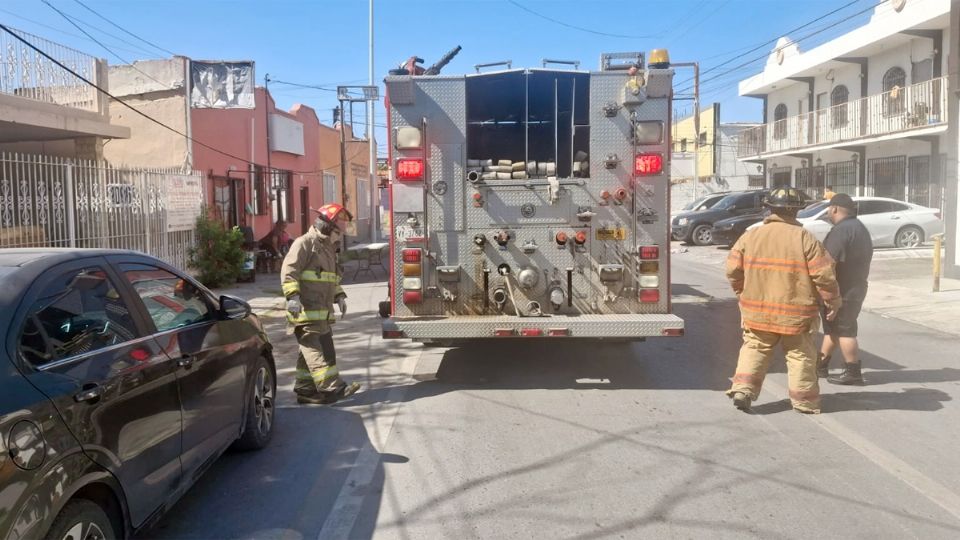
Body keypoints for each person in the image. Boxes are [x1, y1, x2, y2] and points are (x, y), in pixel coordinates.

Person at [725, 187, 842, 414]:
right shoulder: (805, 238)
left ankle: (743, 390)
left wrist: (742, 293)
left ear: (769, 208)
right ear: (797, 211)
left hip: (757, 311)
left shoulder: (751, 235)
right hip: (796, 314)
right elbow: (824, 275)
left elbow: (732, 270)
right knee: (799, 355)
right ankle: (804, 401)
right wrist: (832, 301)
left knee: (755, 347)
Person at [281, 203, 361, 405]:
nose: (339, 235)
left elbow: (330, 279)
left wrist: (339, 296)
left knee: (316, 350)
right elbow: (289, 271)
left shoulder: (327, 250)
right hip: (305, 313)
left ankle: (305, 389)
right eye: (337, 231)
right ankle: (332, 388)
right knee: (317, 352)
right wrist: (292, 297)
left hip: (322, 314)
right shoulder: (304, 244)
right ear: (326, 227)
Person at [817, 193, 873, 385]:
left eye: (828, 209)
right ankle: (821, 366)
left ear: (834, 209)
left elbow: (828, 264)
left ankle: (853, 372)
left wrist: (827, 292)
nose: (827, 212)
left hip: (843, 291)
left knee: (845, 330)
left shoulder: (841, 231)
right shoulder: (859, 228)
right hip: (855, 287)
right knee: (833, 329)